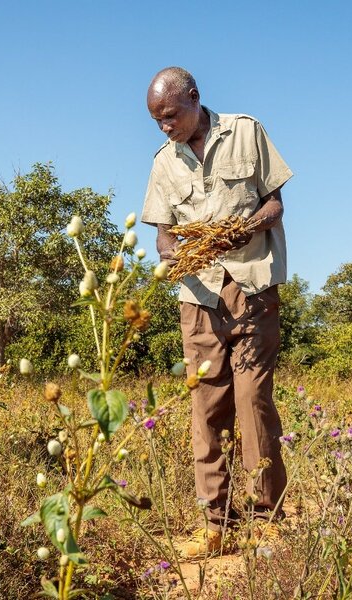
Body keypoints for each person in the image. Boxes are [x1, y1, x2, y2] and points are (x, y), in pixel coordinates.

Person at [141, 67, 292, 557]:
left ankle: (266, 515)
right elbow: (162, 232)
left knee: (252, 399)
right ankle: (216, 523)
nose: (165, 126)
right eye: (156, 121)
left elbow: (275, 206)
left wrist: (240, 230)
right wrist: (170, 251)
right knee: (206, 407)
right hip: (197, 296)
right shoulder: (163, 161)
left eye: (170, 116)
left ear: (194, 98)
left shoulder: (246, 131)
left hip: (251, 286)